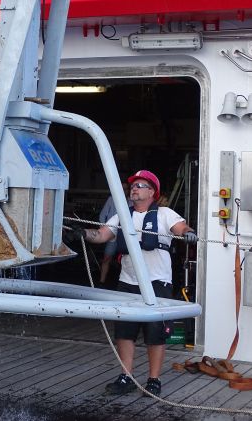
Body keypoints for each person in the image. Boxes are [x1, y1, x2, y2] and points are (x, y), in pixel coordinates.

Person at [66, 170, 197, 397]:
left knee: (155, 333)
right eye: (133, 185)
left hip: (157, 282)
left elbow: (182, 228)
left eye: (140, 185)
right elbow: (100, 235)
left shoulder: (165, 214)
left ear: (152, 192)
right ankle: (126, 376)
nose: (134, 189)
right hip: (128, 282)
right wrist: (81, 234)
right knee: (124, 332)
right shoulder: (121, 216)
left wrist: (189, 233)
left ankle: (153, 380)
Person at [97, 181, 131, 286]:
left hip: (126, 235)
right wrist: (104, 230)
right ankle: (101, 282)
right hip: (113, 233)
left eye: (125, 189)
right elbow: (102, 215)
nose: (123, 190)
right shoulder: (111, 199)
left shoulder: (132, 201)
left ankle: (123, 282)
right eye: (121, 188)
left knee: (126, 260)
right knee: (107, 257)